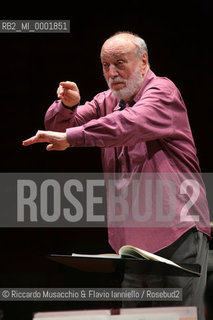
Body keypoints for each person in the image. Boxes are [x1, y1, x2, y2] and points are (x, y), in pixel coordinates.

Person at [23, 31, 210, 319]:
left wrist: (73, 138)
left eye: (120, 63)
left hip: (177, 234)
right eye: (105, 65)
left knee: (179, 316)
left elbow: (127, 124)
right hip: (132, 245)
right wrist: (68, 106)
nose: (112, 73)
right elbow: (59, 127)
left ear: (144, 61)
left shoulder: (163, 91)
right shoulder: (106, 101)